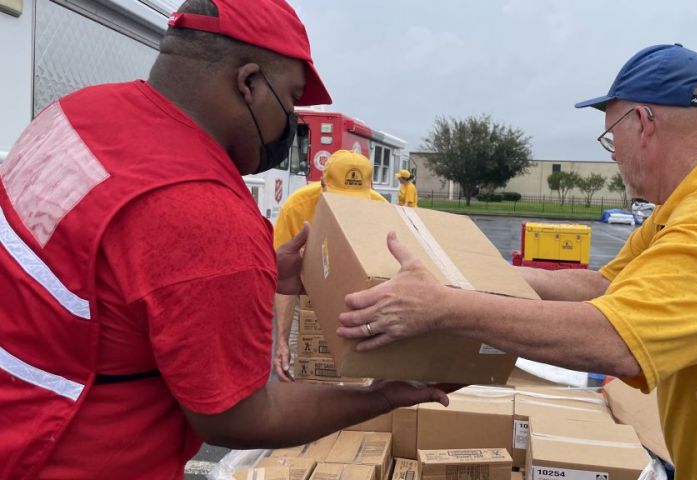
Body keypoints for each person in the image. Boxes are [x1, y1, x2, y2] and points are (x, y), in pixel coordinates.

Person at [0, 1, 450, 478]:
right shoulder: (201, 208)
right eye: (291, 99)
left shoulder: (80, 111)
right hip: (67, 456)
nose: (291, 121)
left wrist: (255, 275)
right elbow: (238, 416)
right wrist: (381, 394)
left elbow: (101, 261)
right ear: (249, 83)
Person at [336, 44, 697, 479]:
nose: (614, 155)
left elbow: (616, 341)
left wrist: (442, 308)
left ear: (641, 122)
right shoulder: (696, 201)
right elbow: (603, 287)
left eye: (610, 137)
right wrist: (472, 278)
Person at [273, 149, 387, 382]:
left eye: (354, 199)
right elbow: (283, 281)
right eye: (339, 197)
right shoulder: (298, 207)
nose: (346, 207)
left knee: (359, 380)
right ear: (323, 185)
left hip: (358, 300)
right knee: (297, 374)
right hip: (306, 297)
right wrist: (282, 340)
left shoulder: (381, 209)